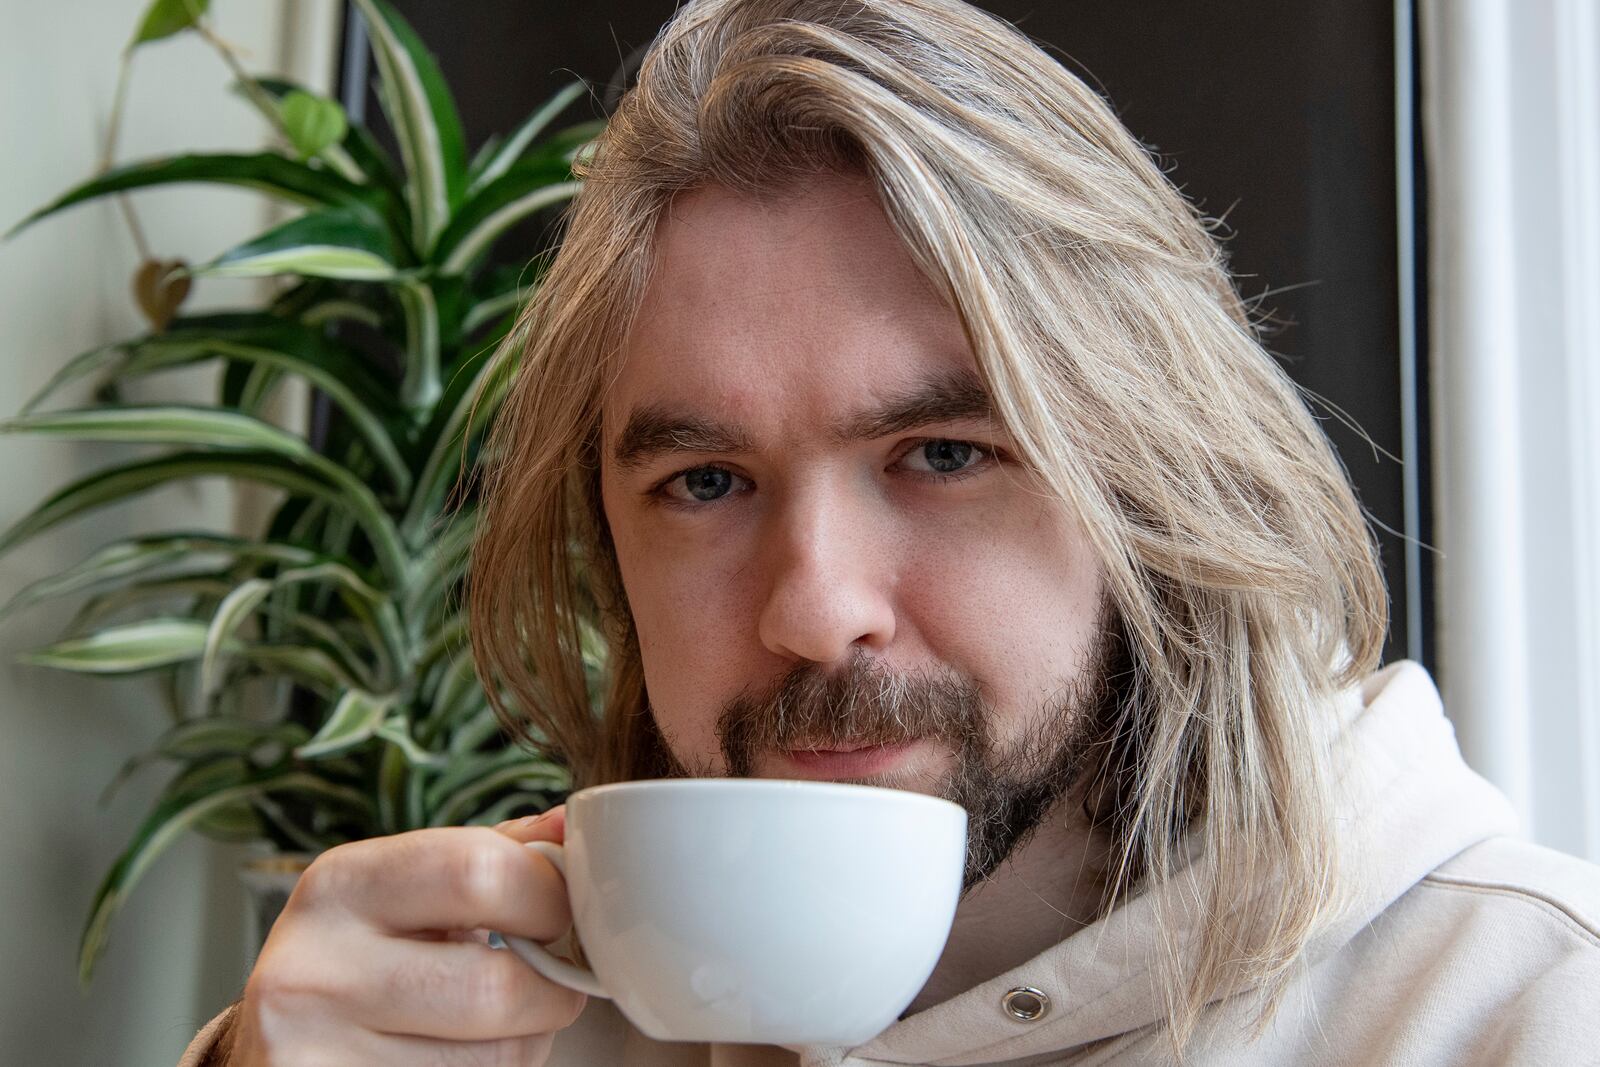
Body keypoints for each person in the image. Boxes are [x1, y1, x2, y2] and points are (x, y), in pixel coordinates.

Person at [182, 0, 1600, 1064]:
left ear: (1155, 487)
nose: (816, 607)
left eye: (941, 454)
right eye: (706, 483)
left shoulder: (1519, 1011)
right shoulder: (511, 1033)